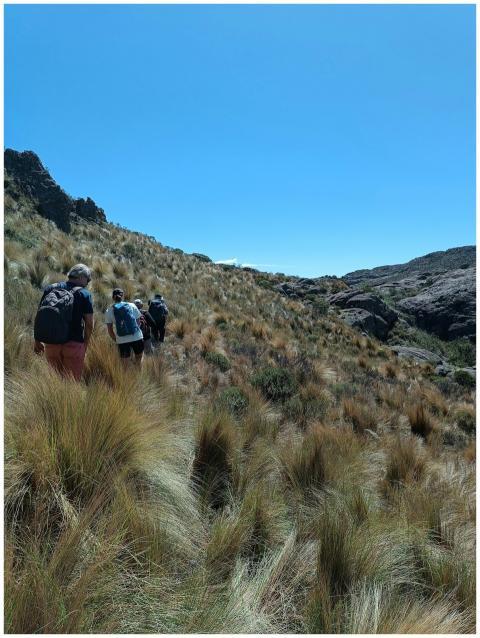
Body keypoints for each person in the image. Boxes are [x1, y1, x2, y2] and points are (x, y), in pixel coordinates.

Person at [33, 263, 94, 381]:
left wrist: (37, 340)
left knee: (54, 382)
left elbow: (40, 315)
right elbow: (89, 324)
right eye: (88, 279)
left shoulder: (50, 288)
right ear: (81, 277)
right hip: (74, 344)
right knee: (71, 384)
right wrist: (85, 344)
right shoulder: (84, 294)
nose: (88, 283)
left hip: (51, 344)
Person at [105, 288, 144, 367]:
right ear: (122, 296)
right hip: (137, 337)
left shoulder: (109, 310)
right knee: (139, 361)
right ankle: (139, 377)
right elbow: (138, 322)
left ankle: (128, 379)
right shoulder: (132, 305)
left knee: (125, 365)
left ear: (113, 297)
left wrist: (116, 339)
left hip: (122, 340)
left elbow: (110, 330)